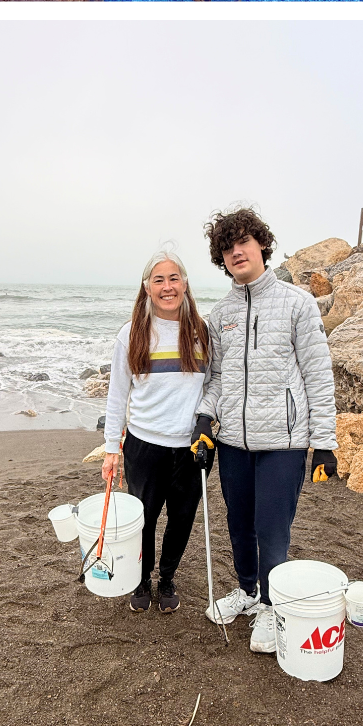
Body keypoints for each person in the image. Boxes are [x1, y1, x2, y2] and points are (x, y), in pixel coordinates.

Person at [195, 208, 338, 653]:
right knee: (238, 524)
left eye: (244, 242)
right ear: (222, 259)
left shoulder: (297, 303)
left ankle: (272, 609)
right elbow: (216, 378)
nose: (236, 251)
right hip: (234, 440)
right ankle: (248, 591)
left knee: (271, 529)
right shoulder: (220, 314)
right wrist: (204, 420)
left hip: (284, 443)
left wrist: (325, 444)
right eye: (227, 247)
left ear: (261, 245)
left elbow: (318, 374)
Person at [102, 250, 210, 613]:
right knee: (143, 520)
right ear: (147, 287)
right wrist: (111, 449)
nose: (168, 286)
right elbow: (117, 395)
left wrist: (208, 424)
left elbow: (214, 386)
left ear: (185, 284)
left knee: (181, 519)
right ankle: (141, 578)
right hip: (144, 446)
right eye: (159, 280)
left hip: (193, 448)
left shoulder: (201, 331)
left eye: (174, 278)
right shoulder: (131, 334)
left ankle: (166, 578)